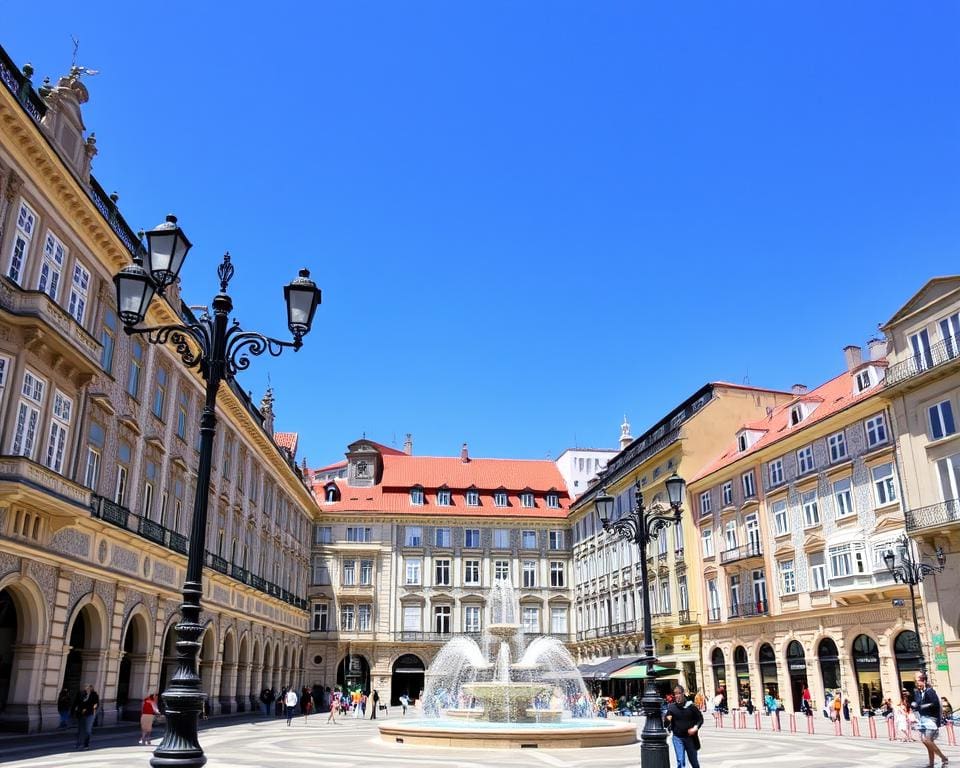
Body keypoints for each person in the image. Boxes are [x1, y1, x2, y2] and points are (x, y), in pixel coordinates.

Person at [913, 672, 949, 767]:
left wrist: (923, 706)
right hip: (923, 719)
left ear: (923, 681)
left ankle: (943, 757)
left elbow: (935, 704)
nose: (917, 683)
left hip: (932, 718)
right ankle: (932, 763)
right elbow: (917, 704)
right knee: (928, 742)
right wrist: (915, 706)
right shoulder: (917, 692)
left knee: (926, 740)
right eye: (916, 681)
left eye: (918, 681)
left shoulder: (930, 691)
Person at [665, 685, 703, 768]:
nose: (677, 696)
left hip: (690, 738)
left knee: (694, 761)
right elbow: (666, 724)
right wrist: (667, 720)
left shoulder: (691, 707)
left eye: (679, 693)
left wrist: (695, 728)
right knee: (680, 760)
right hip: (677, 738)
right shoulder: (672, 708)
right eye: (675, 694)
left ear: (683, 694)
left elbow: (700, 719)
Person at [73, 684, 99, 751]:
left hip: (90, 714)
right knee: (80, 729)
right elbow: (76, 703)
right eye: (86, 687)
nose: (87, 689)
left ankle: (86, 744)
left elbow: (96, 704)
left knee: (88, 729)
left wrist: (94, 708)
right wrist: (74, 711)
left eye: (89, 687)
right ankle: (79, 743)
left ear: (91, 688)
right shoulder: (81, 694)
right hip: (81, 714)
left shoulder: (94, 695)